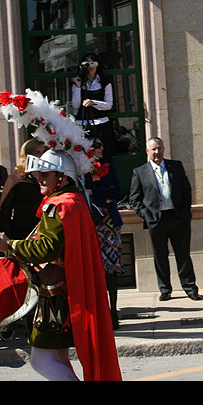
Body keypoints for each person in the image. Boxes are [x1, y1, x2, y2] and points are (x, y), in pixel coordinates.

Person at [0, 149, 122, 381]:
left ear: (62, 177)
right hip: (65, 291)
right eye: (38, 173)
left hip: (54, 297)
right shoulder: (74, 201)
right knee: (58, 359)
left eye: (45, 173)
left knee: (42, 360)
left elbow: (46, 249)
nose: (38, 177)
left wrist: (9, 245)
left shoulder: (57, 206)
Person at [129, 136, 201, 301]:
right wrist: (147, 216)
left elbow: (186, 191)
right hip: (156, 220)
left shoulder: (176, 166)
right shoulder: (140, 172)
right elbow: (134, 200)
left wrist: (185, 214)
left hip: (177, 218)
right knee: (160, 256)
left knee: (183, 254)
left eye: (160, 148)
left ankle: (190, 288)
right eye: (153, 149)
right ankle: (165, 289)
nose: (157, 152)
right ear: (147, 152)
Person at [84, 137, 124, 329]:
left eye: (101, 145)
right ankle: (99, 313)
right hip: (93, 224)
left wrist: (95, 194)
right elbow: (84, 193)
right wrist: (100, 195)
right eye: (96, 145)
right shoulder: (82, 169)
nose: (100, 148)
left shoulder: (109, 167)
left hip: (110, 224)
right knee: (95, 270)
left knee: (113, 270)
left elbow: (116, 191)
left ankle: (114, 313)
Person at [0, 139, 47, 240]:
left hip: (44, 231)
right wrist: (8, 236)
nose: (42, 156)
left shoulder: (48, 176)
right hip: (22, 233)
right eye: (38, 152)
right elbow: (5, 208)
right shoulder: (17, 177)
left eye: (44, 152)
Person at [71, 52, 115, 160]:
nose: (90, 67)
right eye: (87, 64)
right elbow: (75, 105)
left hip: (101, 124)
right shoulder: (79, 82)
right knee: (84, 157)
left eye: (92, 63)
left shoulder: (105, 82)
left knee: (103, 155)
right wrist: (78, 87)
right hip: (83, 125)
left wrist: (94, 103)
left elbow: (109, 104)